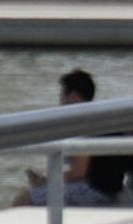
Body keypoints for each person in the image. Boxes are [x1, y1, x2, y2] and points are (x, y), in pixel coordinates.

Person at [13, 69, 131, 207]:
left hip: (95, 192)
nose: (61, 102)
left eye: (62, 96)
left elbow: (79, 172)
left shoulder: (82, 123)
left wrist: (46, 182)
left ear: (73, 96)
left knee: (24, 199)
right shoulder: (99, 117)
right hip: (109, 189)